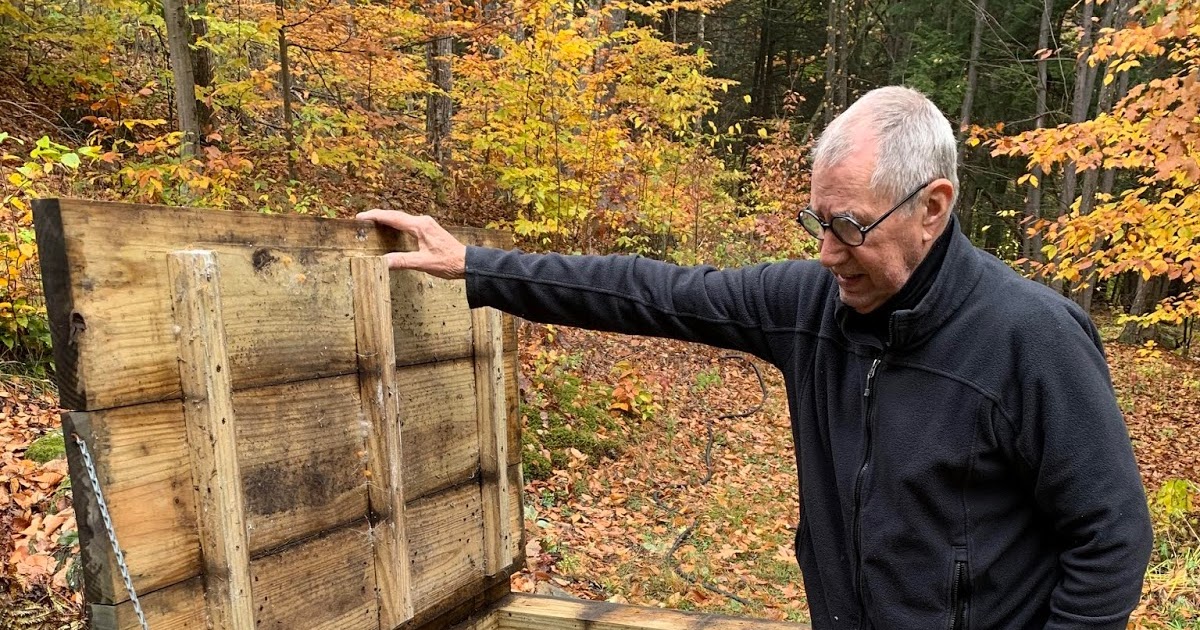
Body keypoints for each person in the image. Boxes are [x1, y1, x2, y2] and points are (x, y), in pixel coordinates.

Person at [357, 86, 1152, 630]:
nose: (830, 253)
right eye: (817, 223)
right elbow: (652, 292)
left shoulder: (1031, 337)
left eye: (850, 226)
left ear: (933, 207)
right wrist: (479, 266)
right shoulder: (815, 308)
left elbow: (1110, 535)